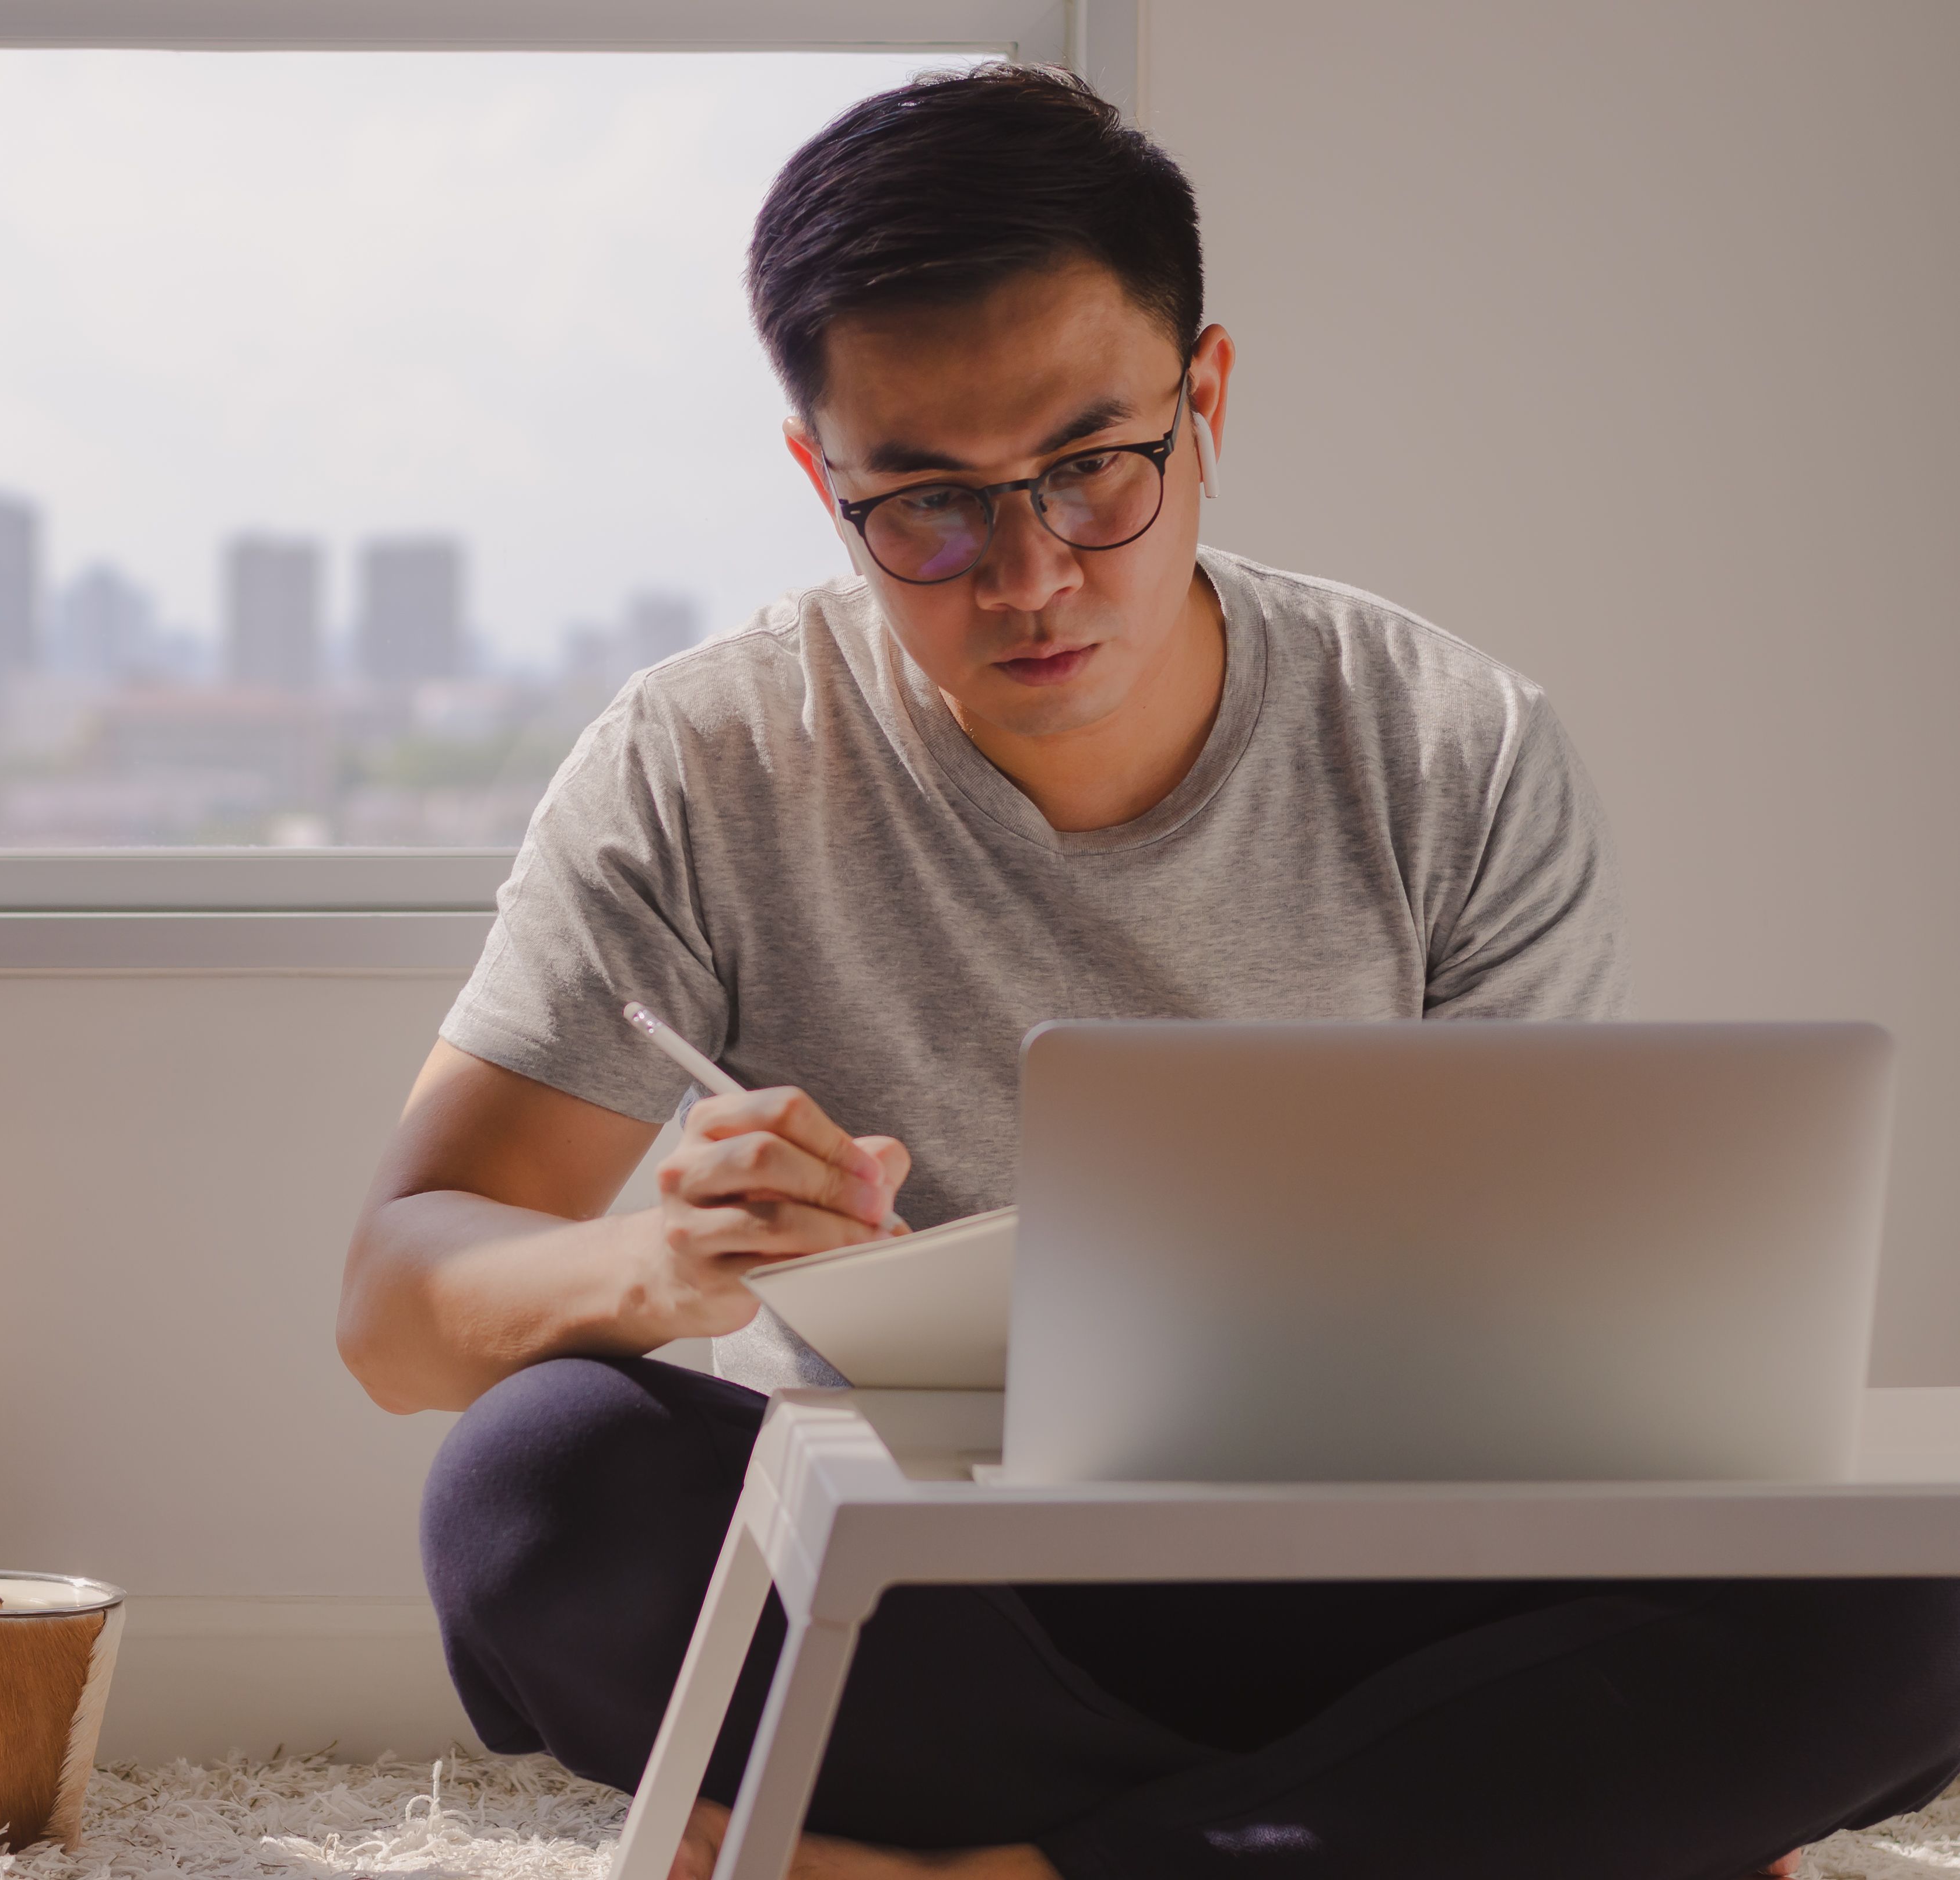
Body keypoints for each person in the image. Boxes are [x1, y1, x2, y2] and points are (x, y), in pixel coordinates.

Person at [336, 62, 1960, 1880]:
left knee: (1904, 1597)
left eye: (1092, 469)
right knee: (534, 1486)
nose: (1027, 572)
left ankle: (992, 1866)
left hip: (1382, 1585)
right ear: (819, 477)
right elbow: (396, 1308)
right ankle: (1407, 1839)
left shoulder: (1449, 746)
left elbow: (1559, 1350)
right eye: (926, 505)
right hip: (932, 1601)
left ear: (1204, 400)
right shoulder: (694, 762)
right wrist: (649, 1257)